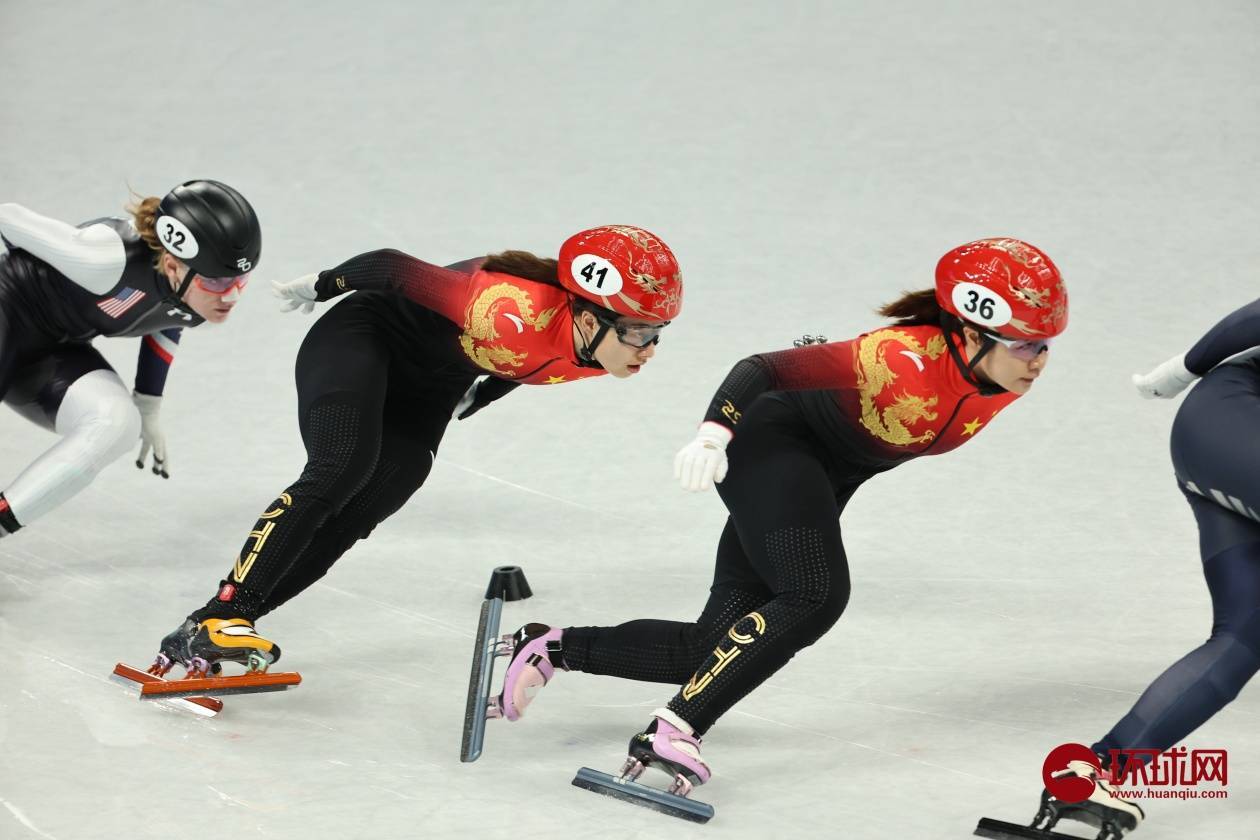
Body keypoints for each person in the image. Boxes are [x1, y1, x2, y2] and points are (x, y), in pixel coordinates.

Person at [490, 237, 1068, 802]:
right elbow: (761, 367)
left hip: (824, 478)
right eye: (1022, 345)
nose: (1037, 361)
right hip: (772, 446)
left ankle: (549, 648)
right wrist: (713, 436)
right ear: (970, 332)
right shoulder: (901, 358)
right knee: (815, 594)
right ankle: (673, 731)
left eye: (1044, 345)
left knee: (710, 651)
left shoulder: (999, 374)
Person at [149, 225, 684, 678]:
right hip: (364, 338)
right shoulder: (503, 306)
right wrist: (321, 285)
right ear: (589, 319)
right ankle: (227, 611)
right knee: (342, 466)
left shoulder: (599, 352)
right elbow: (392, 267)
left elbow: (532, 364)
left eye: (659, 334)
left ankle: (212, 626)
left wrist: (481, 394)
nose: (651, 350)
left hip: (433, 384)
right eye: (639, 333)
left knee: (377, 496)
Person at [1019, 298, 1260, 839]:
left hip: (1214, 444)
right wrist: (1181, 369)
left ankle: (1097, 773)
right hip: (1235, 417)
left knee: (1245, 633)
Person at [0, 180, 260, 536]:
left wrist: (148, 404)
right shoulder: (105, 258)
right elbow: (9, 217)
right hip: (7, 305)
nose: (231, 296)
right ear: (172, 265)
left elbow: (167, 320)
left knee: (117, 424)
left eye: (241, 279)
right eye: (216, 282)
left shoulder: (197, 296)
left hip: (53, 351)